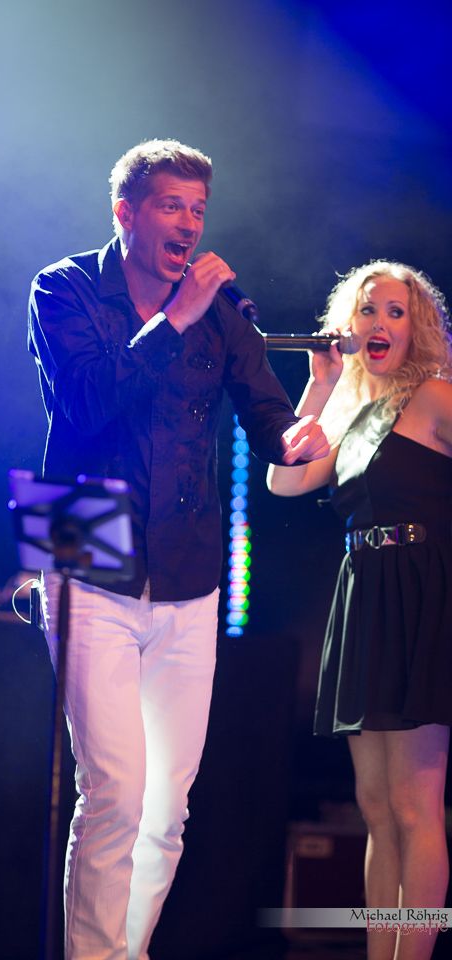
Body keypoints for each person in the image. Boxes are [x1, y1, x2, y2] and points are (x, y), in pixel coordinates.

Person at [27, 138, 329, 960]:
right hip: (83, 543)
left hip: (190, 569)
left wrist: (298, 435)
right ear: (125, 213)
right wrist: (175, 321)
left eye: (199, 209)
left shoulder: (221, 309)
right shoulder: (62, 288)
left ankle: (126, 952)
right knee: (115, 790)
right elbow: (85, 402)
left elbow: (266, 412)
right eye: (172, 206)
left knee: (167, 806)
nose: (190, 224)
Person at [267, 261, 452, 960]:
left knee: (415, 807)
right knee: (376, 809)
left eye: (396, 312)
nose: (380, 322)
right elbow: (284, 481)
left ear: (417, 327)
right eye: (369, 310)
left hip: (421, 599)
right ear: (349, 325)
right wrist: (320, 386)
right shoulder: (350, 412)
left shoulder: (435, 396)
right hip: (366, 596)